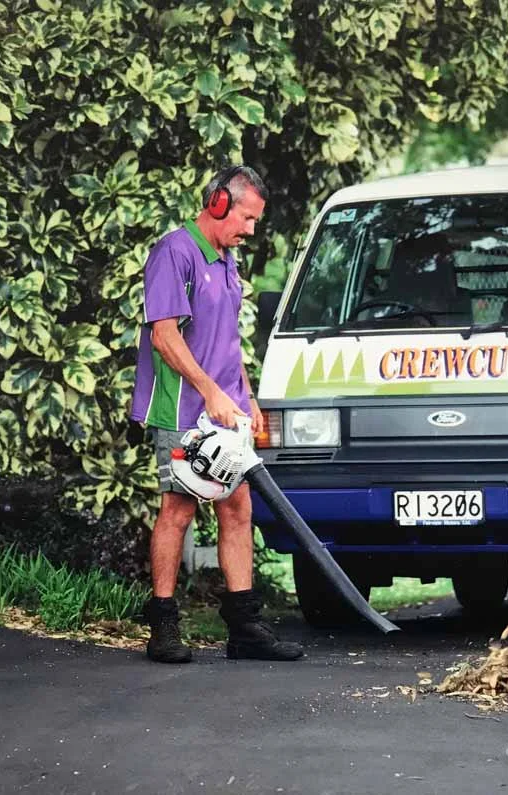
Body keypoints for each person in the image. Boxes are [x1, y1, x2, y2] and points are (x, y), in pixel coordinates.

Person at [130, 165, 303, 664]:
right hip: (184, 406)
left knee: (237, 508)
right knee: (179, 509)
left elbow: (227, 340)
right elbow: (164, 336)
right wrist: (208, 391)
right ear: (219, 203)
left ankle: (244, 629)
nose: (250, 230)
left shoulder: (227, 261)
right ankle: (162, 625)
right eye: (246, 218)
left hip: (226, 406)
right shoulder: (174, 253)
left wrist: (244, 394)